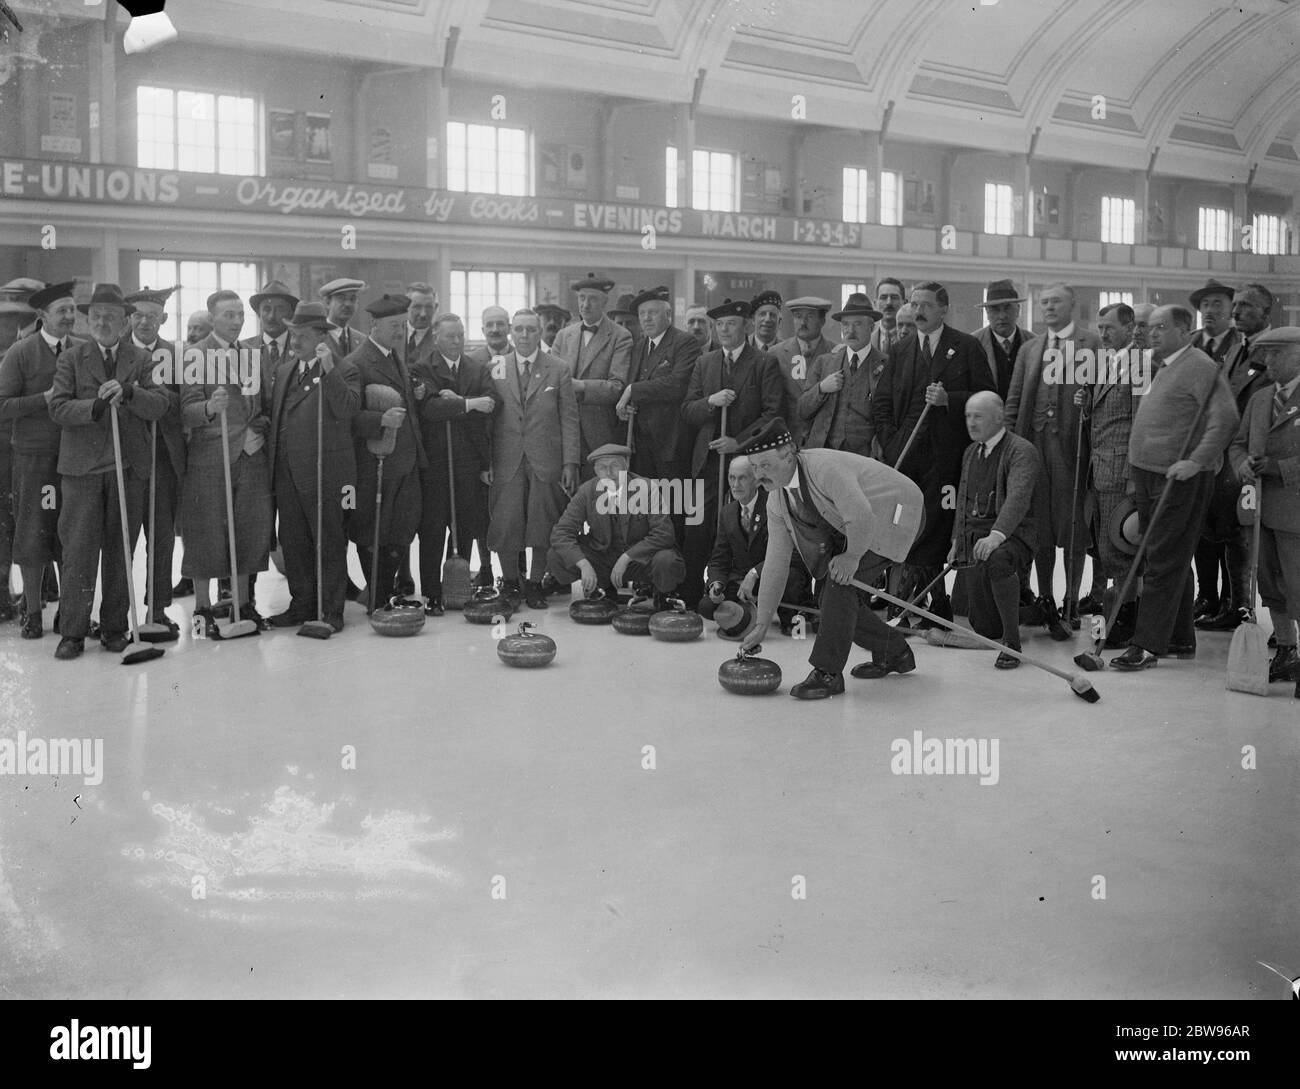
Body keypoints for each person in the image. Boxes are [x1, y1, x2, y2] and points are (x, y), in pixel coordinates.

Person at [737, 417, 925, 700]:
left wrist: (851, 558)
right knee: (831, 592)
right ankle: (894, 652)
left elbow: (861, 515)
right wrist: (762, 623)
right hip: (860, 524)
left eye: (765, 465)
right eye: (754, 468)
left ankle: (827, 673)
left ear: (788, 454)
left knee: (840, 586)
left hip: (897, 513)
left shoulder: (824, 468)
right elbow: (776, 563)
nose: (759, 475)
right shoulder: (778, 500)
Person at [1110, 305, 1238, 671]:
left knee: (1164, 559)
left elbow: (1225, 418)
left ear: (1185, 331)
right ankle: (1179, 638)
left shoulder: (1198, 365)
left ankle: (1147, 646)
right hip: (1151, 474)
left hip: (1180, 478)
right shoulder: (1166, 365)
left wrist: (1196, 460)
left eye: (1161, 328)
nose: (1152, 333)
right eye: (1149, 327)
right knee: (1166, 557)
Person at [47, 284, 169, 659]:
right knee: (79, 552)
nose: (102, 322)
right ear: (89, 318)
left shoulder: (142, 360)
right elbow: (58, 408)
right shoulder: (72, 357)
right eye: (96, 315)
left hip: (126, 469)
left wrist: (130, 393)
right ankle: (73, 632)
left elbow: (160, 405)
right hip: (82, 472)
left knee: (120, 553)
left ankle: (115, 628)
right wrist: (95, 408)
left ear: (124, 321)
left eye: (110, 316)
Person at [872, 280, 993, 627]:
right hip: (905, 454)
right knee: (908, 523)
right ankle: (928, 603)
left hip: (947, 455)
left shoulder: (965, 347)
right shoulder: (901, 349)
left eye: (926, 304)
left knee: (938, 526)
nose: (919, 310)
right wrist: (890, 439)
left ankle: (928, 602)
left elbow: (987, 395)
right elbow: (881, 402)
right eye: (915, 304)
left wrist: (949, 401)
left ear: (944, 309)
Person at [1004, 282, 1101, 635]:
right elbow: (1014, 400)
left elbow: (1102, 396)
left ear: (1072, 305)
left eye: (1056, 301)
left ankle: (1071, 601)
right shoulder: (1030, 349)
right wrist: (1012, 446)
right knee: (1040, 528)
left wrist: (1087, 408)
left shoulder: (1091, 344)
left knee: (1073, 527)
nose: (1048, 307)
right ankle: (1045, 597)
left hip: (1072, 449)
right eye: (1043, 302)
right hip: (1034, 446)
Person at [180, 289, 274, 635]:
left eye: (239, 315)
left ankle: (243, 603)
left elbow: (262, 404)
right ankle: (202, 609)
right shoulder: (194, 355)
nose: (236, 321)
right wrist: (208, 408)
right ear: (212, 318)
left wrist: (259, 425)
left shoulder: (254, 354)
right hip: (210, 455)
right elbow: (186, 411)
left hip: (250, 454)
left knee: (250, 528)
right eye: (228, 315)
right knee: (206, 531)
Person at [680, 298, 783, 608]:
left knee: (743, 526)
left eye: (732, 324)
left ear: (747, 327)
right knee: (698, 528)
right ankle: (693, 595)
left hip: (747, 463)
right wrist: (711, 401)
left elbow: (772, 414)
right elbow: (688, 410)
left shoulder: (763, 363)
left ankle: (746, 592)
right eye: (720, 324)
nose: (724, 329)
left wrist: (738, 443)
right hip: (708, 462)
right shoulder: (705, 362)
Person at [265, 302, 359, 632]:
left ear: (322, 337)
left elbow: (348, 409)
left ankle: (331, 610)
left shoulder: (344, 370)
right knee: (293, 541)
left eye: (303, 335)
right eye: (293, 334)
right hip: (287, 473)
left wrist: (329, 368)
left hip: (326, 473)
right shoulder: (284, 370)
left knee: (329, 541)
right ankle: (302, 603)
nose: (295, 341)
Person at [0, 280, 79, 639]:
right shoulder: (21, 352)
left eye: (72, 310)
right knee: (33, 536)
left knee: (71, 535)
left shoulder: (82, 350)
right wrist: (43, 399)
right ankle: (33, 613)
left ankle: (68, 612)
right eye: (61, 310)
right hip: (34, 461)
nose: (68, 316)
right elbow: (2, 406)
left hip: (75, 460)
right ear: (43, 316)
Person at [487, 308, 579, 608]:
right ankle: (511, 582)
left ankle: (536, 583)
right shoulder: (495, 367)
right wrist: (485, 462)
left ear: (540, 334)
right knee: (506, 522)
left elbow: (569, 418)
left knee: (544, 523)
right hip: (507, 460)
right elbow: (487, 421)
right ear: (512, 333)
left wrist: (570, 463)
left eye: (531, 330)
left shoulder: (558, 368)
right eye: (520, 329)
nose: (525, 335)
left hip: (546, 460)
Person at [1194, 282, 1273, 632]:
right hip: (1227, 457)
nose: (1238, 312)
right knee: (1228, 534)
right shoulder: (1238, 350)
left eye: (1246, 306)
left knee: (1248, 539)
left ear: (1266, 312)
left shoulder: (1273, 352)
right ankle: (1232, 604)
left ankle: (1242, 609)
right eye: (1237, 305)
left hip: (1255, 458)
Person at [1229, 326, 1300, 696]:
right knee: (1270, 584)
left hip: (1295, 512)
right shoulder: (1259, 399)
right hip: (1259, 511)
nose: (1267, 362)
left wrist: (1279, 467)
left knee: (1299, 584)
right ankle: (1287, 651)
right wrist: (1241, 463)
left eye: (1275, 354)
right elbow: (1238, 444)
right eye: (1266, 354)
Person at [410, 313, 495, 614]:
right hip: (435, 464)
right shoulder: (422, 367)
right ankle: (432, 592)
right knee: (432, 529)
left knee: (466, 527)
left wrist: (456, 400)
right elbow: (431, 408)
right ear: (436, 337)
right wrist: (468, 404)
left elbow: (491, 404)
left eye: (460, 334)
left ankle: (455, 588)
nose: (457, 341)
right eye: (450, 336)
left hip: (468, 462)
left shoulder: (476, 367)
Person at [949, 392, 1043, 668]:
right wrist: (957, 540)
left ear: (999, 418)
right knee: (982, 624)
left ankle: (1012, 645)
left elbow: (1018, 498)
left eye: (978, 416)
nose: (971, 423)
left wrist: (996, 536)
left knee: (999, 559)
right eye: (968, 416)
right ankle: (1034, 612)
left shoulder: (1022, 451)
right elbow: (964, 501)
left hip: (1012, 536)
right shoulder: (970, 452)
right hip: (977, 540)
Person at [348, 294, 427, 609]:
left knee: (401, 528)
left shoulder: (396, 356)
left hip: (405, 461)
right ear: (374, 325)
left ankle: (381, 594)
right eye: (394, 325)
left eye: (402, 325)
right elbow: (349, 416)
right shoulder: (357, 362)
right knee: (372, 530)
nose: (400, 331)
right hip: (376, 463)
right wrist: (379, 420)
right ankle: (378, 597)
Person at [1074, 302, 1141, 643]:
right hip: (1100, 470)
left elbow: (1139, 424)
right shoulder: (1106, 362)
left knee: (1120, 551)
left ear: (1130, 327)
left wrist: (1132, 478)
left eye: (1109, 327)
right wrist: (1087, 408)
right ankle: (1120, 617)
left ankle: (1125, 622)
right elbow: (1106, 415)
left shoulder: (1139, 364)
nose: (1102, 334)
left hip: (1119, 472)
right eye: (1099, 328)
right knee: (1106, 548)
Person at [122, 286, 187, 637]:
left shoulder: (176, 356)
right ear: (130, 318)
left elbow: (183, 401)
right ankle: (118, 612)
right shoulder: (118, 353)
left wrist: (154, 400)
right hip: (128, 460)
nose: (145, 322)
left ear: (163, 319)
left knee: (161, 539)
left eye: (152, 316)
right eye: (138, 315)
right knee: (125, 538)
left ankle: (157, 609)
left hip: (163, 459)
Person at [547, 443, 683, 608]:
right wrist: (583, 564)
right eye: (603, 467)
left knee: (666, 560)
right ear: (596, 471)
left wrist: (626, 558)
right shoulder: (587, 491)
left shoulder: (646, 487)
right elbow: (561, 532)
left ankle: (663, 595)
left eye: (615, 466)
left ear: (626, 466)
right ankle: (602, 589)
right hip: (603, 556)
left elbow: (664, 534)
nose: (609, 473)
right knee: (556, 555)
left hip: (640, 559)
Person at [702, 454, 811, 634]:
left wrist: (755, 573)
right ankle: (750, 607)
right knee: (706, 606)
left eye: (742, 478)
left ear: (756, 479)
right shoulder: (727, 512)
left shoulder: (776, 503)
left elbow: (794, 554)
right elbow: (719, 558)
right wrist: (716, 583)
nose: (736, 485)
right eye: (732, 478)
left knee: (791, 578)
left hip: (773, 574)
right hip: (742, 580)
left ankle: (790, 616)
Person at [799, 293, 886, 457]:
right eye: (845, 325)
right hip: (824, 453)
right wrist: (822, 388)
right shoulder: (824, 362)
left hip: (865, 458)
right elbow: (802, 410)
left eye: (858, 324)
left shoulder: (886, 365)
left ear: (872, 327)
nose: (850, 331)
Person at [768, 297, 835, 445]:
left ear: (822, 321)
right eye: (798, 317)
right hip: (786, 440)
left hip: (823, 443)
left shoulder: (835, 353)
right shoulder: (776, 354)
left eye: (810, 317)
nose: (803, 323)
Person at [972, 279, 1035, 403]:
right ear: (987, 312)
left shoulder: (1035, 343)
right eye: (995, 309)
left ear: (1018, 309)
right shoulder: (972, 344)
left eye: (1007, 308)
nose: (1002, 316)